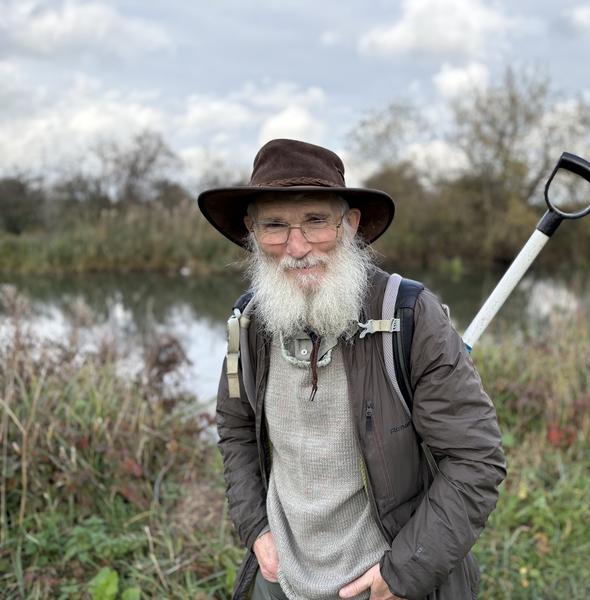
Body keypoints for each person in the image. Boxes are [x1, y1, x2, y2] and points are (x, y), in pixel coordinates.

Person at [198, 139, 506, 600]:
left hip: (382, 581)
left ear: (351, 225)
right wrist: (256, 528)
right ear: (251, 231)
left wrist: (403, 575)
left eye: (316, 222)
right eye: (275, 226)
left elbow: (476, 459)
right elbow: (236, 429)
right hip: (279, 579)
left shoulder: (411, 315)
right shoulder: (247, 323)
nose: (296, 247)